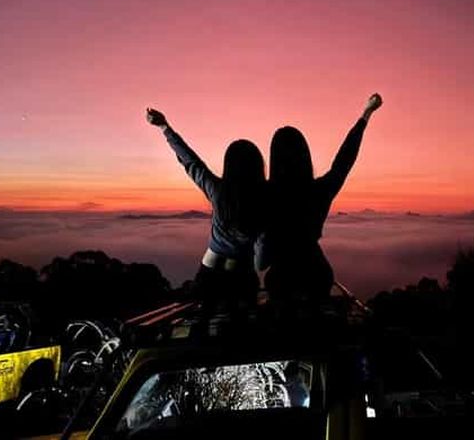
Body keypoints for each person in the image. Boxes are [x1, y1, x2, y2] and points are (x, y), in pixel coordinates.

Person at [259, 93, 383, 300]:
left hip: (281, 281)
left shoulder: (265, 195)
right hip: (317, 275)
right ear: (304, 156)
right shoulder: (319, 191)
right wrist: (366, 114)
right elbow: (345, 159)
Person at [146, 107, 266, 306]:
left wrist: (164, 127)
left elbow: (191, 162)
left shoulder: (218, 190)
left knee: (200, 325)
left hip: (210, 271)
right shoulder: (264, 198)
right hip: (242, 275)